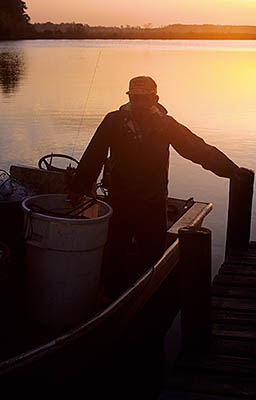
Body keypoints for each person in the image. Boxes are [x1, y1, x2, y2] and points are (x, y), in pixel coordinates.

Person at [69, 75, 245, 298]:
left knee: (152, 252)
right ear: (129, 97)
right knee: (114, 250)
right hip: (120, 198)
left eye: (145, 98)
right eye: (135, 98)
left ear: (155, 98)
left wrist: (230, 170)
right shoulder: (113, 120)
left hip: (153, 200)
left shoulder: (165, 124)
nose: (140, 104)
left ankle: (147, 292)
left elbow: (197, 149)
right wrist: (79, 186)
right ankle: (111, 293)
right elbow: (94, 154)